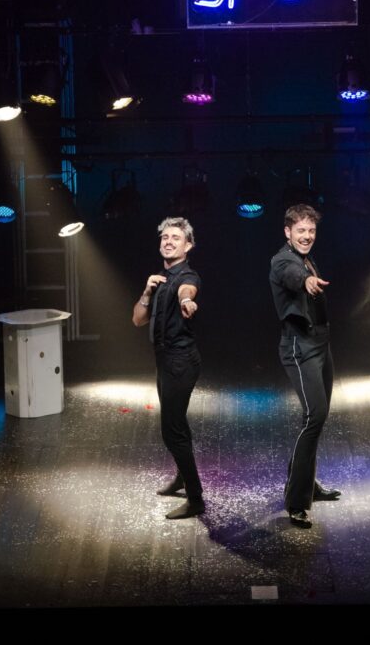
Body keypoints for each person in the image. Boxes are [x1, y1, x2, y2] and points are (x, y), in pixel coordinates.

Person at [269, 204, 341, 528]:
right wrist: (307, 281)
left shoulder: (306, 256)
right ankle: (297, 500)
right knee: (316, 416)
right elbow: (293, 276)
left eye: (311, 231)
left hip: (321, 345)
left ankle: (306, 483)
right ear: (288, 232)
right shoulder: (283, 260)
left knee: (315, 417)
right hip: (300, 348)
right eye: (301, 230)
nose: (307, 236)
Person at [132, 217, 204, 519]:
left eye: (176, 238)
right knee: (177, 425)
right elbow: (137, 320)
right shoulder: (159, 278)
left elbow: (187, 291)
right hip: (164, 362)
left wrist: (187, 302)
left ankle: (196, 498)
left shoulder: (187, 276)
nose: (169, 241)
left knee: (171, 431)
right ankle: (182, 479)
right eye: (165, 237)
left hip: (180, 361)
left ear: (188, 246)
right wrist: (147, 292)